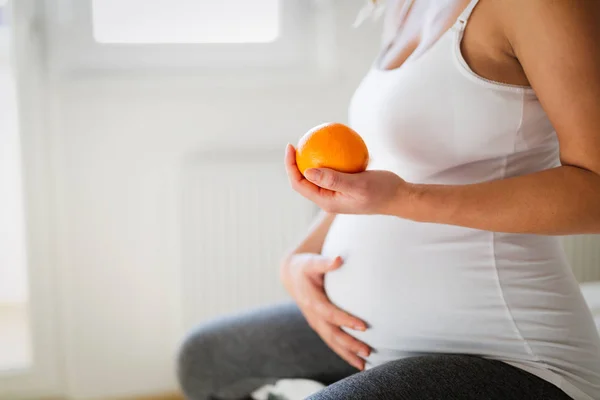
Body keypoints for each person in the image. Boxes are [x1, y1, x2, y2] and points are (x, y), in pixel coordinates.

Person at [177, 0, 600, 398]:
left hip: (509, 354)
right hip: (368, 336)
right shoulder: (403, 6)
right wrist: (297, 259)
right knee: (207, 358)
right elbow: (394, 165)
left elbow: (594, 188)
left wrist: (405, 198)